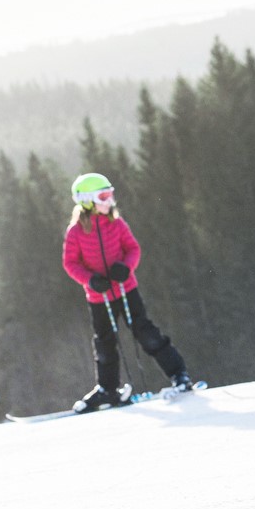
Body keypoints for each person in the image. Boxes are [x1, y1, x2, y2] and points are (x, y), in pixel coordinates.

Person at [63, 172, 196, 412]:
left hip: (126, 291)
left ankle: (179, 374)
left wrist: (126, 267)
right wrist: (91, 281)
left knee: (145, 332)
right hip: (99, 297)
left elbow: (132, 249)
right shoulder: (75, 233)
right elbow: (70, 263)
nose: (109, 201)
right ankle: (108, 389)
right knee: (104, 342)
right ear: (87, 200)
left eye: (110, 195)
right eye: (103, 196)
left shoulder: (117, 223)